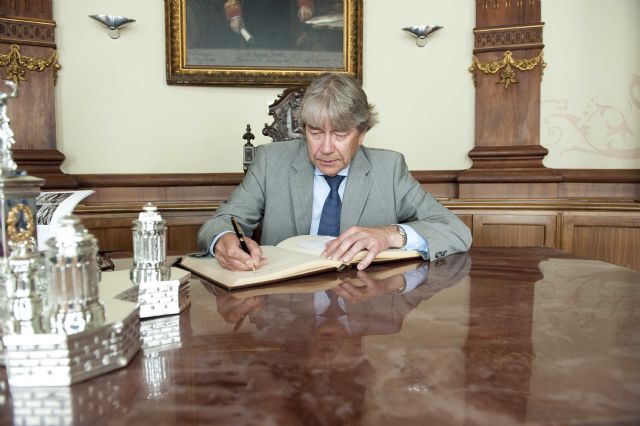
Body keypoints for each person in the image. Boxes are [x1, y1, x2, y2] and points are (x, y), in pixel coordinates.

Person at [197, 73, 472, 271]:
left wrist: (389, 234)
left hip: (364, 304)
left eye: (340, 134)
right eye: (315, 133)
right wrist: (224, 240)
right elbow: (221, 222)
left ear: (361, 134)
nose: (326, 149)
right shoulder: (270, 161)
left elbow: (456, 230)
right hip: (284, 306)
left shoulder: (389, 169)